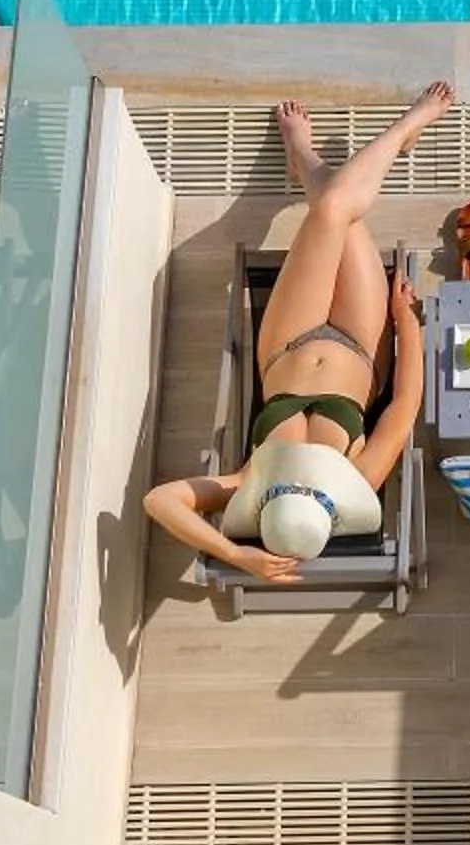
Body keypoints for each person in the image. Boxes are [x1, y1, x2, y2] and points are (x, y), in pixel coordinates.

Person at [144, 81, 451, 584]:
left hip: (290, 337)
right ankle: (336, 153)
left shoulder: (246, 483)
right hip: (362, 338)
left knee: (332, 209)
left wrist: (237, 554)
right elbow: (404, 404)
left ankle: (383, 136)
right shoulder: (357, 478)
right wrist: (406, 323)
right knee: (336, 210)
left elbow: (159, 501)